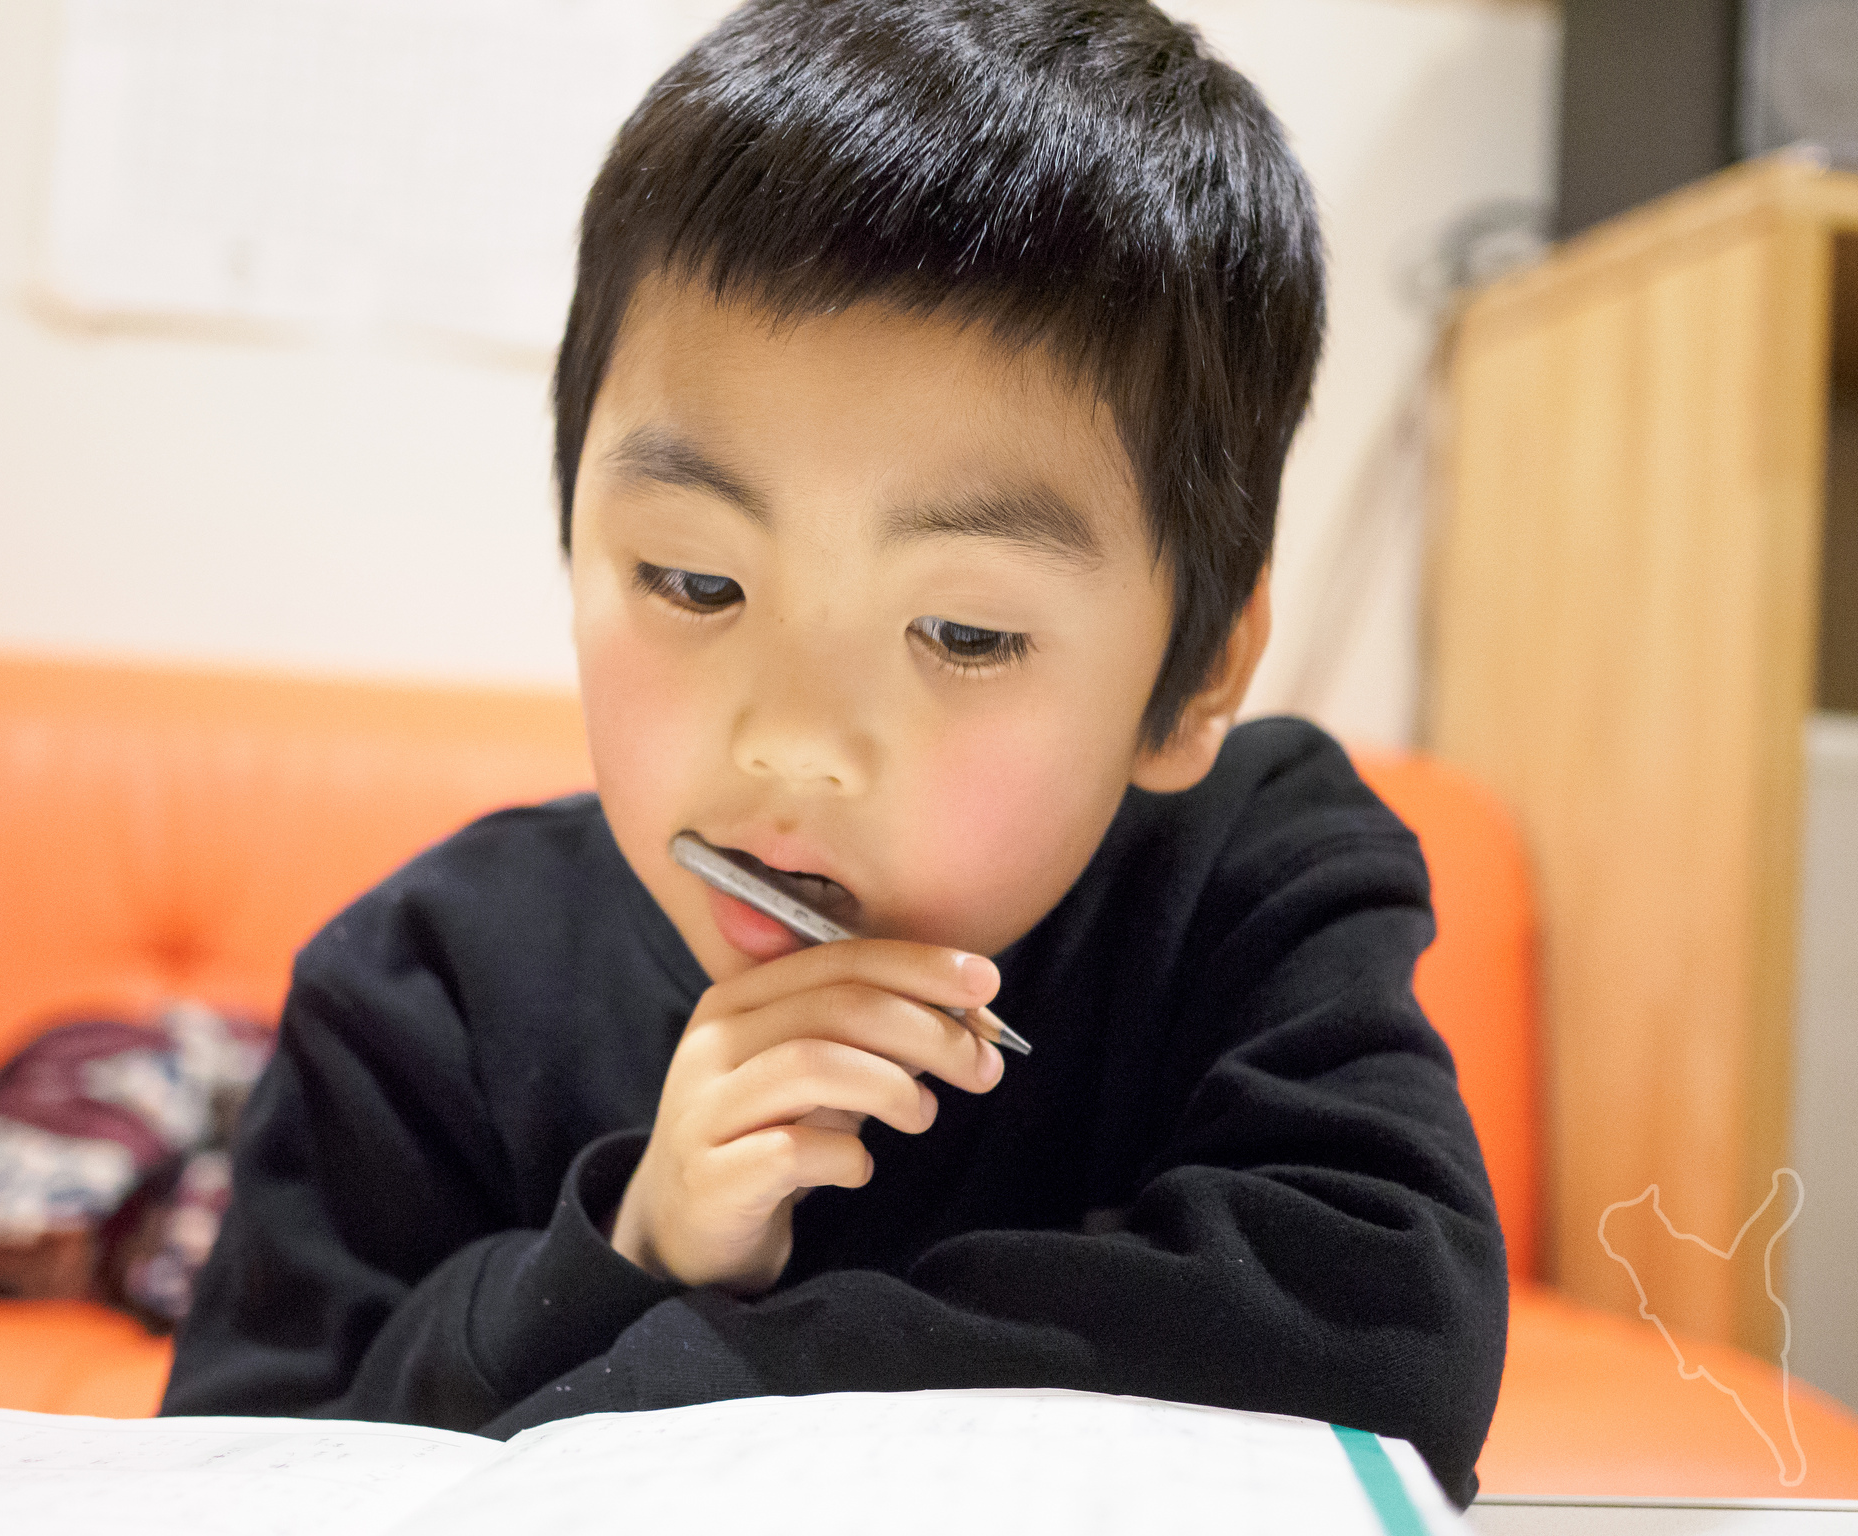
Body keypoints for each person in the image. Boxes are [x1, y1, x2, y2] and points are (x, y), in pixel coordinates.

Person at [163, 0, 1507, 1505]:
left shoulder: (1253, 873)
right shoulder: (425, 987)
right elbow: (242, 1469)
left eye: (967, 637)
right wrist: (629, 1251)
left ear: (1194, 676)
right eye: (695, 584)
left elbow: (1387, 1322)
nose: (794, 747)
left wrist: (679, 1368)